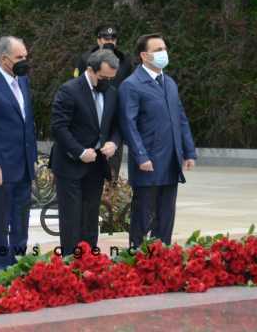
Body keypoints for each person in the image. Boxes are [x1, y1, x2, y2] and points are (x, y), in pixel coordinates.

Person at [118, 33, 196, 248]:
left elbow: (180, 119)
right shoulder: (131, 85)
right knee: (144, 214)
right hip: (148, 162)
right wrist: (140, 155)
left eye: (164, 48)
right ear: (144, 55)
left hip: (170, 160)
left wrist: (189, 152)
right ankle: (138, 257)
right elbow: (128, 124)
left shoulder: (169, 83)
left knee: (166, 214)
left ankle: (163, 260)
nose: (164, 53)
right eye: (158, 50)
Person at [50, 50, 121, 256]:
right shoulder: (69, 90)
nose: (107, 82)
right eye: (103, 77)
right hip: (70, 164)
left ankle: (89, 260)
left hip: (97, 165)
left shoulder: (111, 92)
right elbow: (58, 127)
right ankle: (70, 262)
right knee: (71, 218)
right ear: (90, 70)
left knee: (91, 217)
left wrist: (113, 143)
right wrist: (79, 152)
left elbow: (117, 125)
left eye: (111, 78)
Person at [0, 36, 37, 271]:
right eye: (19, 57)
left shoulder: (22, 80)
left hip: (23, 163)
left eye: (25, 56)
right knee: (1, 220)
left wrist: (32, 159)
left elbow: (27, 121)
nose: (24, 61)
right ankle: (1, 267)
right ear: (4, 59)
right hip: (1, 166)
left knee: (21, 219)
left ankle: (19, 263)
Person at [74, 24, 133, 180]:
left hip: (114, 117)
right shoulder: (86, 58)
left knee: (112, 167)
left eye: (113, 38)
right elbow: (77, 86)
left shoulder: (124, 60)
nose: (109, 41)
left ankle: (111, 193)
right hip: (91, 117)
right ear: (98, 39)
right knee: (90, 168)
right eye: (105, 38)